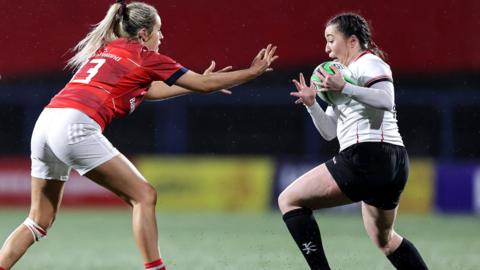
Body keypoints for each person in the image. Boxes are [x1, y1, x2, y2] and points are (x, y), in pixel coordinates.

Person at [0, 1, 278, 270]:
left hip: (47, 121)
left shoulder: (107, 50)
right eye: (159, 30)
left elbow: (152, 90)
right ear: (144, 33)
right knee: (144, 195)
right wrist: (252, 72)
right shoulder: (145, 56)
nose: (162, 36)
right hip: (74, 125)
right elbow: (204, 83)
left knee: (38, 220)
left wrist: (198, 85)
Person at [278, 13, 428, 270]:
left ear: (352, 41)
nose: (326, 48)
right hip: (393, 163)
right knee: (386, 240)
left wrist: (344, 88)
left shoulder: (369, 63)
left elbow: (385, 100)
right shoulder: (344, 75)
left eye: (331, 39)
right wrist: (313, 105)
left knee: (288, 200)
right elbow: (329, 132)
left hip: (367, 156)